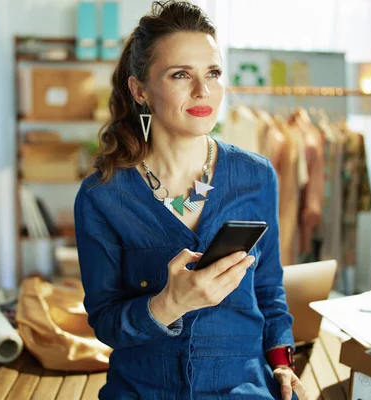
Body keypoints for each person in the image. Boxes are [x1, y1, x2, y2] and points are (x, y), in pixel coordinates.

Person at [74, 1, 307, 399]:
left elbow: (268, 288)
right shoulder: (102, 196)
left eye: (213, 73)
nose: (204, 91)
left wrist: (282, 362)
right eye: (181, 74)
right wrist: (168, 303)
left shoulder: (256, 176)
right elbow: (105, 321)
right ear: (139, 90)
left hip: (242, 387)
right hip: (144, 389)